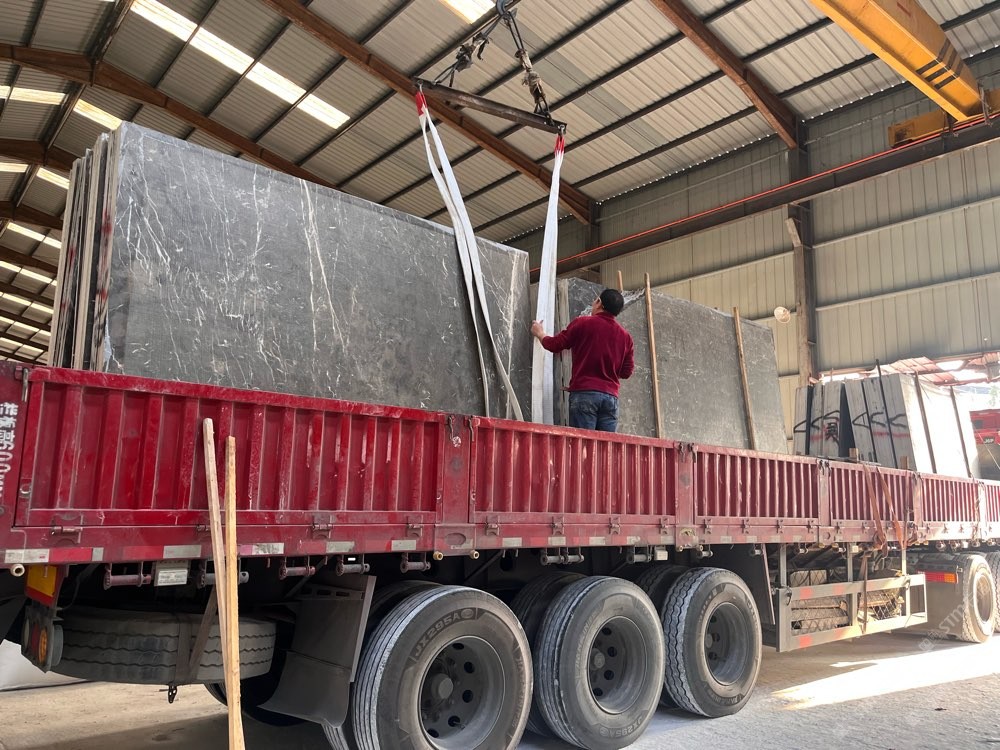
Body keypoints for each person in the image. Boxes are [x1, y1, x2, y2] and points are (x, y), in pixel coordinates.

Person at [531, 288, 634, 432]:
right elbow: (626, 372)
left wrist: (540, 333)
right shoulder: (626, 337)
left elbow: (555, 345)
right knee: (605, 445)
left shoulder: (582, 323)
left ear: (599, 302)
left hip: (584, 394)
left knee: (583, 444)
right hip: (611, 399)